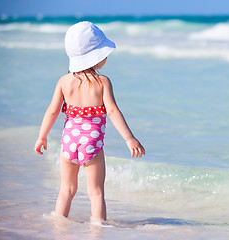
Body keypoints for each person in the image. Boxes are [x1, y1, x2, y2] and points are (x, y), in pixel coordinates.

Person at [34, 21, 145, 225]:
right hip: (91, 143)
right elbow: (112, 111)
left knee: (66, 190)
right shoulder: (103, 82)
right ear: (95, 55)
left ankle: (58, 225)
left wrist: (42, 136)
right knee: (95, 192)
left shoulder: (64, 82)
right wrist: (130, 139)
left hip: (69, 142)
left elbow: (52, 111)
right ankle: (98, 229)